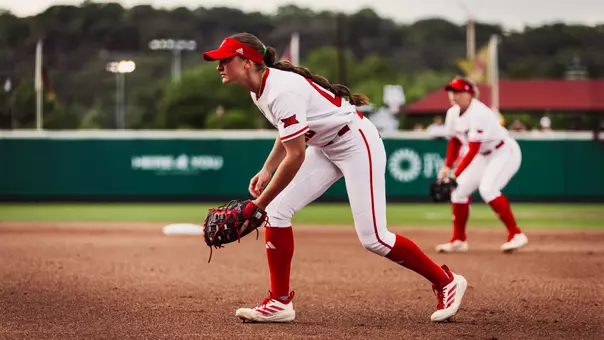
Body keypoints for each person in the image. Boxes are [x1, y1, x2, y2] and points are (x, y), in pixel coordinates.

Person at [202, 33, 467, 324]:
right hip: (325, 147)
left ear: (247, 61)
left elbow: (296, 156)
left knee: (374, 238)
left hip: (355, 143)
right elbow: (289, 131)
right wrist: (267, 168)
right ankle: (279, 302)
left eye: (225, 59)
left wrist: (258, 204)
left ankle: (446, 281)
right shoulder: (259, 90)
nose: (219, 66)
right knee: (277, 212)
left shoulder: (281, 90)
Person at [435, 77, 528, 254]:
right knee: (458, 192)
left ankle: (516, 234)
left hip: (503, 151)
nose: (453, 95)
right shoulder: (452, 114)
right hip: (482, 155)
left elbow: (472, 149)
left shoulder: (480, 113)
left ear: (469, 94)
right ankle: (459, 240)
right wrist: (447, 166)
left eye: (458, 91)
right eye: (451, 91)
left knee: (488, 189)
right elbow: (454, 142)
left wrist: (455, 173)